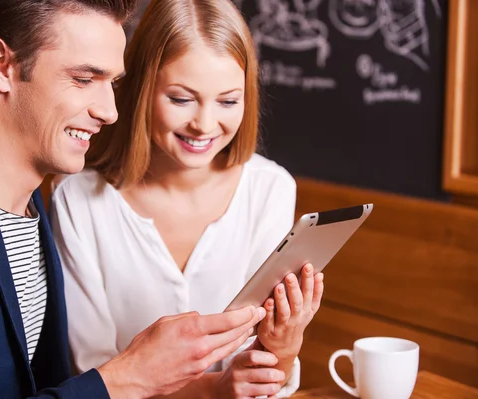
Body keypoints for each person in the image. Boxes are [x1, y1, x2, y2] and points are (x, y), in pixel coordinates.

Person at [0, 1, 268, 398]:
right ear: (0, 65)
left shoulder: (28, 198)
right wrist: (127, 377)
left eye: (112, 83)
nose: (110, 111)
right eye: (83, 79)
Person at [50, 0, 325, 397]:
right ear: (143, 89)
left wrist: (284, 344)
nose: (205, 124)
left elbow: (263, 380)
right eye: (181, 99)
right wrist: (213, 389)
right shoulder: (77, 200)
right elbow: (91, 377)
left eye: (228, 101)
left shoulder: (270, 188)